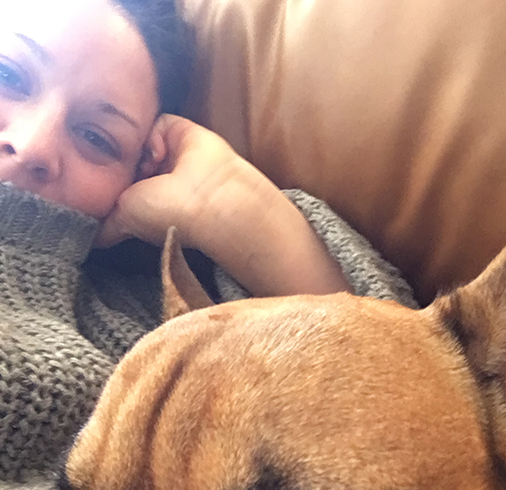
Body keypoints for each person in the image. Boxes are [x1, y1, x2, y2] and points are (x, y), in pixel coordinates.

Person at [0, 0, 349, 297]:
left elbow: (374, 342)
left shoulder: (161, 323)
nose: (32, 146)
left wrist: (219, 195)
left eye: (96, 138)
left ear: (140, 173)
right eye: (8, 75)